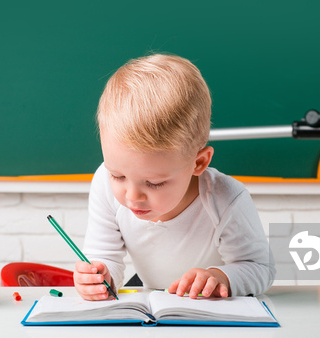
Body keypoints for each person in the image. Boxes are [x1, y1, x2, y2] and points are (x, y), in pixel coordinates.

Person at [75, 54, 275, 301]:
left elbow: (260, 268)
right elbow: (104, 256)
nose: (132, 196)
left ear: (198, 162)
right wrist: (100, 277)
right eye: (118, 175)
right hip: (152, 303)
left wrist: (220, 277)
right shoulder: (103, 184)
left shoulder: (226, 198)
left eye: (154, 182)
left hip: (209, 314)